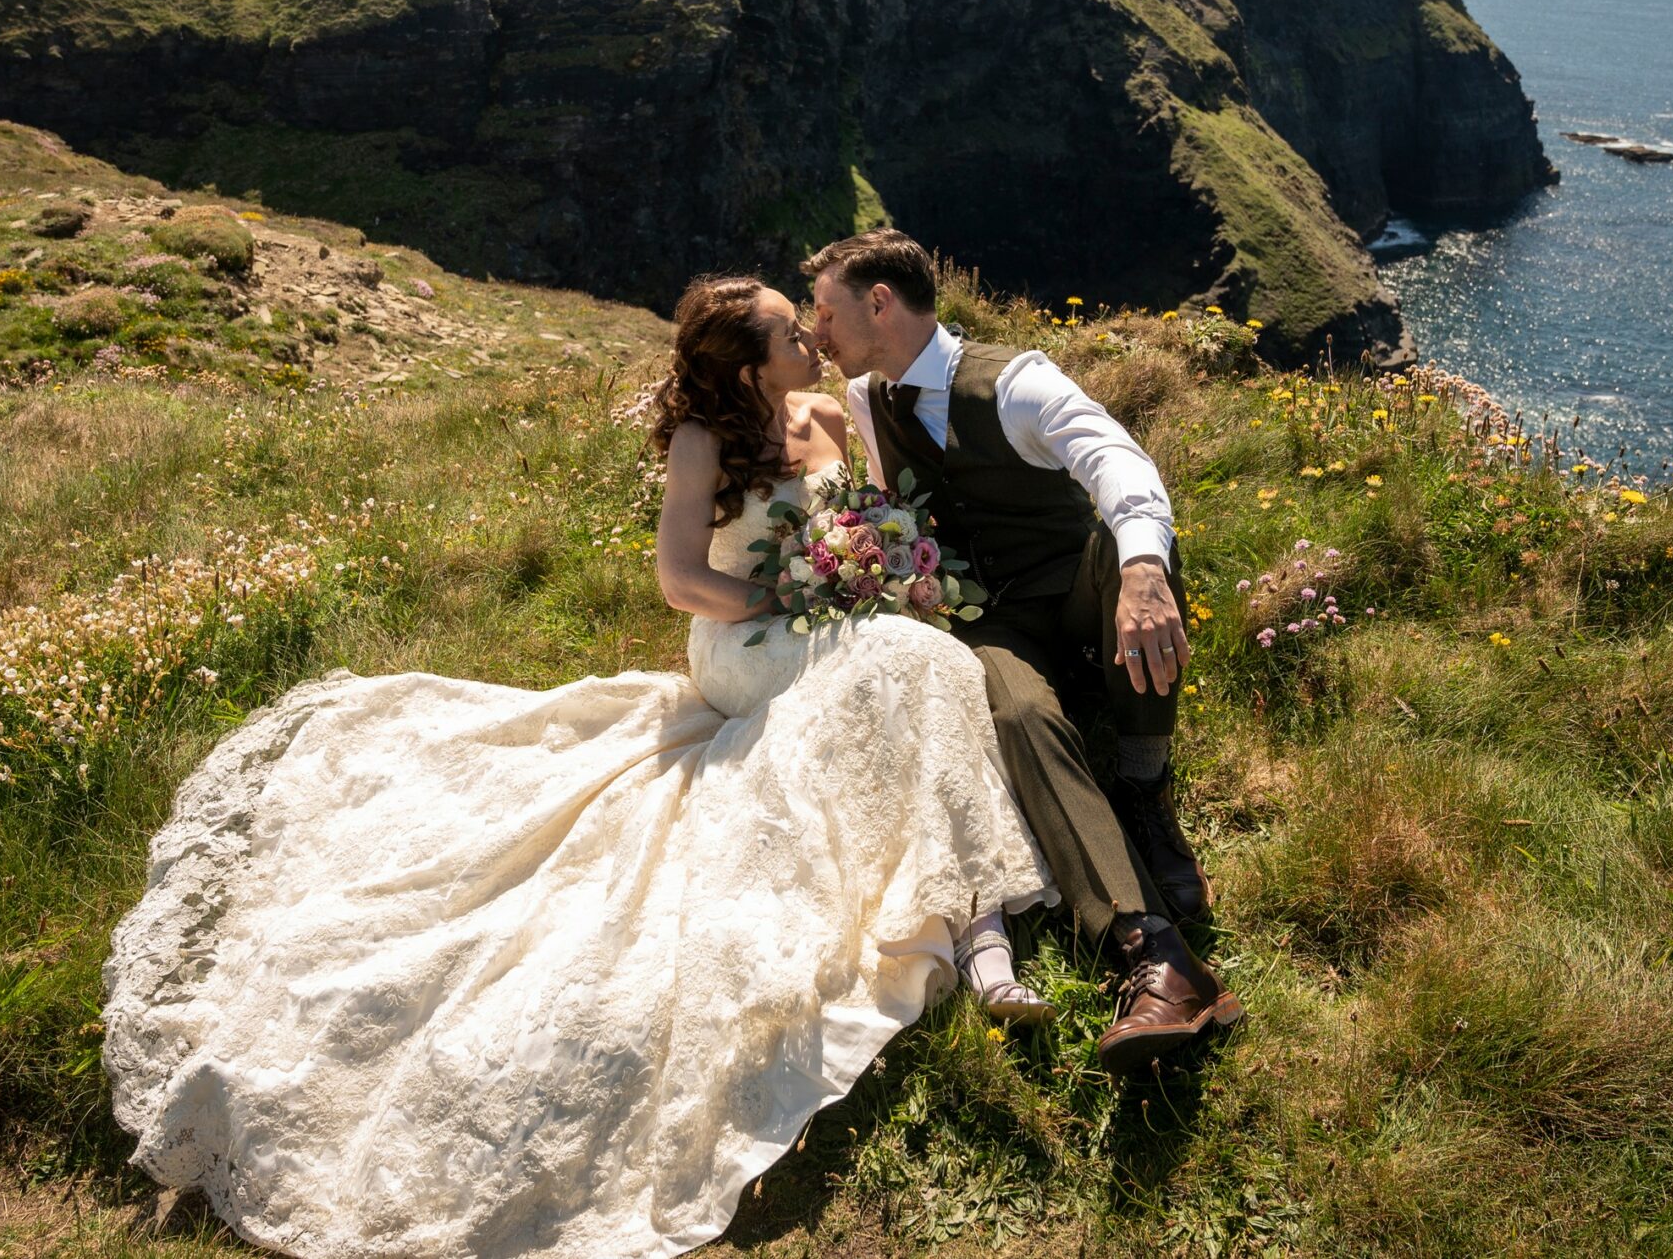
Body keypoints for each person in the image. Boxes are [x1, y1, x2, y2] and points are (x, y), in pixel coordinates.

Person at [102, 274, 1055, 1259]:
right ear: (743, 362)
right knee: (915, 663)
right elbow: (681, 579)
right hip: (741, 640)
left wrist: (860, 565)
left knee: (911, 668)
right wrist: (797, 596)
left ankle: (969, 915)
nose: (811, 337)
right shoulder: (702, 440)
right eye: (787, 330)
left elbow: (852, 519)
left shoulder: (823, 411)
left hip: (822, 615)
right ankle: (981, 926)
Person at [805, 229, 1241, 1076]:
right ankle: (1156, 954)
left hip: (1079, 599)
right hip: (992, 622)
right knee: (1013, 710)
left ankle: (1144, 787)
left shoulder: (1014, 381)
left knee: (1133, 544)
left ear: (881, 303)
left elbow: (1116, 458)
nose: (818, 330)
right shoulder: (865, 396)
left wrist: (1146, 570)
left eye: (828, 310)